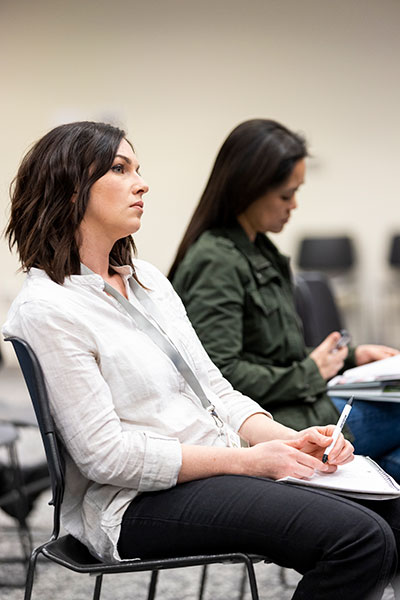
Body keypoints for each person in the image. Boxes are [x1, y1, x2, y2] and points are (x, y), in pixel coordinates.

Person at [2, 121, 400, 600]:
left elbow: (218, 392)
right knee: (360, 541)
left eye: (138, 169)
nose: (141, 182)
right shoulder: (48, 308)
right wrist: (248, 463)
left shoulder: (146, 280)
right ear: (68, 191)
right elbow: (106, 457)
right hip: (134, 503)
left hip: (219, 465)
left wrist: (290, 440)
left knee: (395, 515)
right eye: (119, 169)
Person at [169, 118, 400, 482]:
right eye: (285, 194)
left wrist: (353, 357)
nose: (294, 205)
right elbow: (220, 375)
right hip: (279, 422)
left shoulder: (257, 247)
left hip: (302, 405)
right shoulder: (217, 259)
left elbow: (274, 353)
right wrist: (310, 373)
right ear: (249, 188)